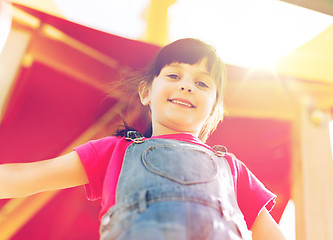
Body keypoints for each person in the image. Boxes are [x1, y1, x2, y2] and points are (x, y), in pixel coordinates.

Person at [0, 38, 285, 239]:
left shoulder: (233, 170)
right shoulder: (114, 151)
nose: (186, 86)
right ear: (146, 92)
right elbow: (32, 176)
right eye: (174, 75)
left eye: (201, 83)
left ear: (215, 109)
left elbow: (269, 234)